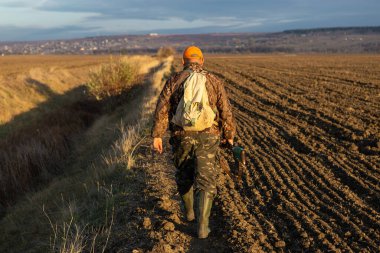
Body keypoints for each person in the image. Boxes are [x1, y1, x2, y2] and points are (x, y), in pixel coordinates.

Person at [151, 46, 236, 239]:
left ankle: (189, 212)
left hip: (182, 136)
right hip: (209, 136)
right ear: (202, 61)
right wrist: (229, 134)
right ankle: (203, 227)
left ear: (183, 62)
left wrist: (157, 135)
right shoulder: (214, 81)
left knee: (184, 174)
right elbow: (225, 110)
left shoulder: (174, 80)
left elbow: (162, 109)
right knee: (206, 180)